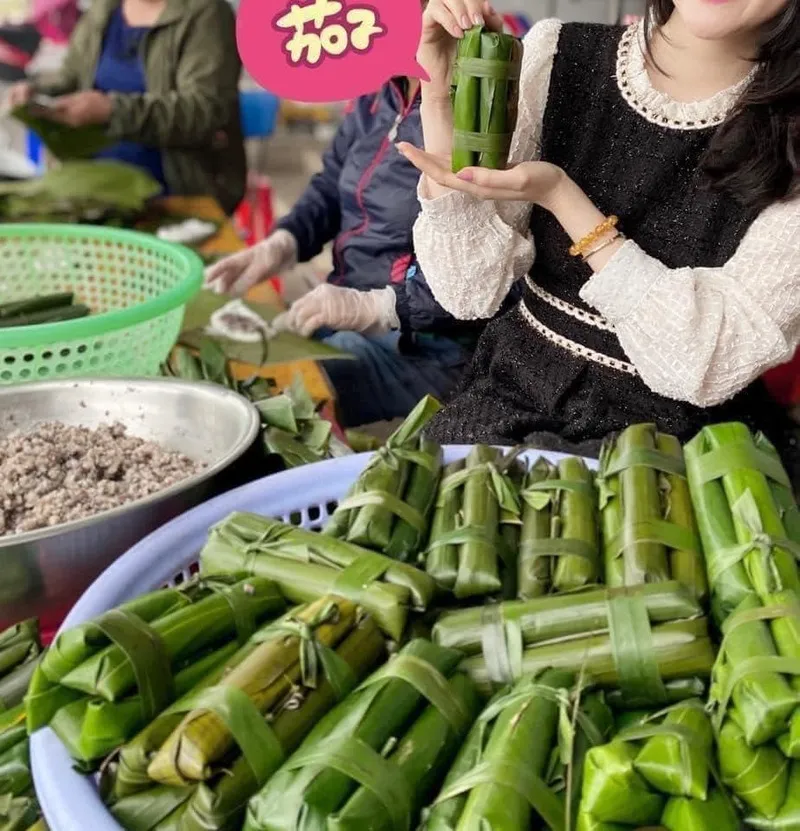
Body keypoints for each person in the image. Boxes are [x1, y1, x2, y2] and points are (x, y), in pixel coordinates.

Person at [398, 0, 799, 467]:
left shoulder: (789, 136)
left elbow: (698, 366)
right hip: (505, 402)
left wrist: (563, 198)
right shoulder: (555, 55)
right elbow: (468, 291)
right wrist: (442, 95)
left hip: (672, 459)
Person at [206, 76, 516, 428]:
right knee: (226, 360)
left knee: (264, 401)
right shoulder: (380, 90)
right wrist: (284, 242)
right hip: (343, 302)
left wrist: (379, 307)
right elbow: (331, 182)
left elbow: (489, 271)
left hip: (427, 348)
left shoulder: (479, 110)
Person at [5, 0, 245, 215]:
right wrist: (38, 94)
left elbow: (202, 112)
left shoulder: (206, 14)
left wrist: (111, 110)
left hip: (177, 195)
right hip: (96, 191)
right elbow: (72, 77)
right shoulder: (103, 10)